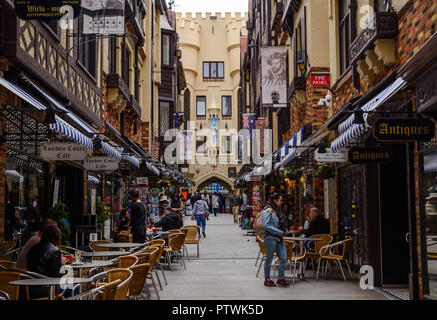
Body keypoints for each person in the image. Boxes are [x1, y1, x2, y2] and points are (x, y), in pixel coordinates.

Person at [27, 224, 66, 299]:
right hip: (47, 289)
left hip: (29, 289)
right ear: (57, 237)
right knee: (77, 289)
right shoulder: (55, 250)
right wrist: (62, 264)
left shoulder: (33, 248)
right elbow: (57, 276)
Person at [262, 193, 290, 287]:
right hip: (270, 237)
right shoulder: (268, 211)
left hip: (279, 238)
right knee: (269, 259)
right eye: (280, 200)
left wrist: (281, 232)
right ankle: (267, 279)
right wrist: (279, 232)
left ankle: (280, 278)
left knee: (283, 257)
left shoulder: (278, 210)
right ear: (275, 200)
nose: (282, 202)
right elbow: (266, 225)